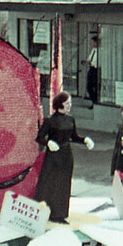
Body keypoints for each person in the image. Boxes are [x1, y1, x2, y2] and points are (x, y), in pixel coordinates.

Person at [33, 91, 94, 222]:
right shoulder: (50, 120)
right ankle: (48, 212)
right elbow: (39, 137)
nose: (69, 106)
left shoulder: (71, 119)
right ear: (60, 104)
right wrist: (48, 143)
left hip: (66, 155)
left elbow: (74, 137)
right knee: (51, 183)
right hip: (53, 156)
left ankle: (60, 214)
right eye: (67, 103)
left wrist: (84, 140)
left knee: (64, 184)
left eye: (70, 103)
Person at [81, 35, 99, 107]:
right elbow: (89, 59)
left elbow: (95, 62)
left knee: (94, 86)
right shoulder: (93, 50)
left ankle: (95, 102)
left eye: (92, 42)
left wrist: (89, 62)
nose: (91, 44)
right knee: (89, 86)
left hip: (96, 69)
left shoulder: (99, 51)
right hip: (91, 69)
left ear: (96, 42)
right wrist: (85, 62)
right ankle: (94, 101)